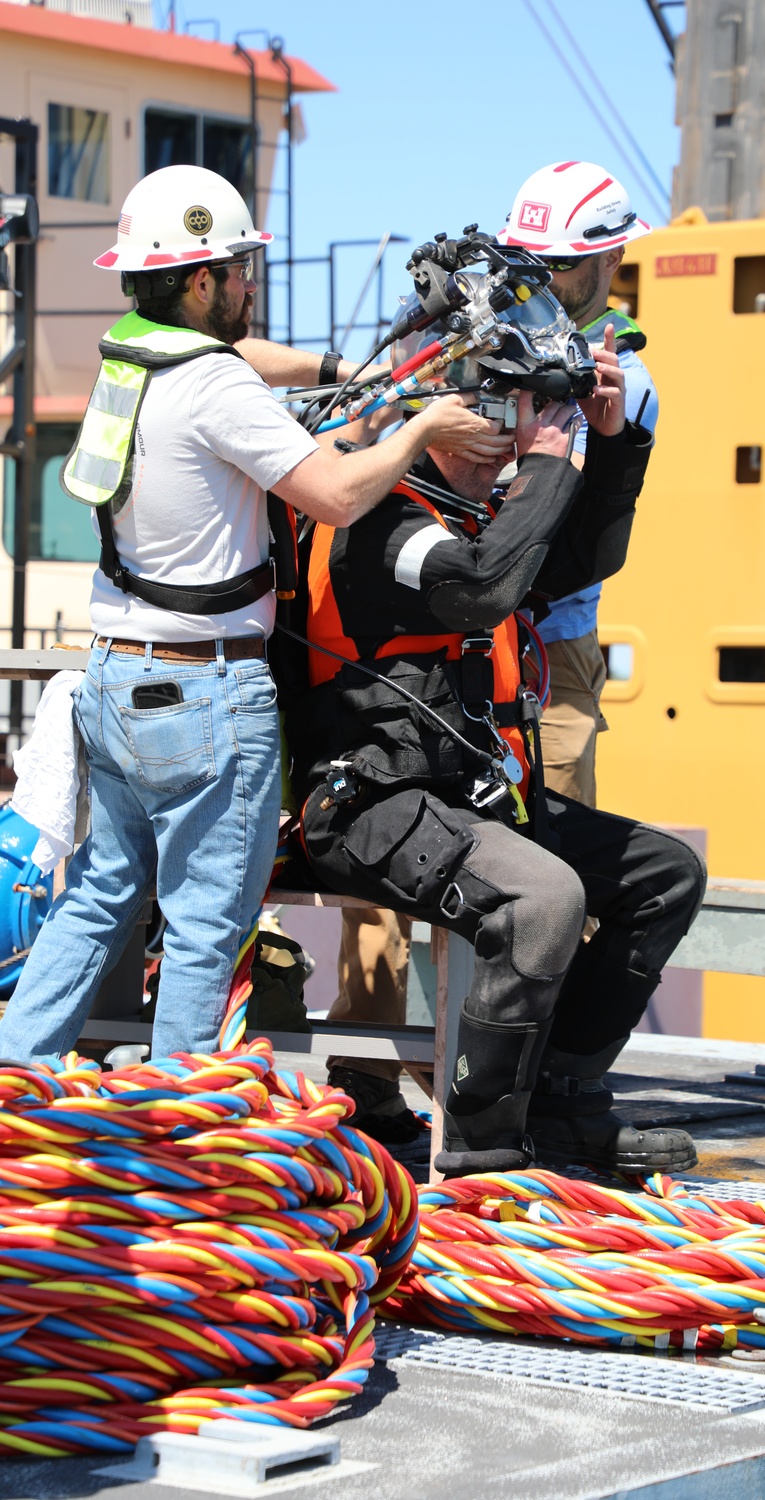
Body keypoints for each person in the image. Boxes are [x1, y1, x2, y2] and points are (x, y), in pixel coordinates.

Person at [0, 165, 495, 1066]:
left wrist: (355, 374)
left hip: (114, 678)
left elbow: (243, 366)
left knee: (104, 893)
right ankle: (179, 1129)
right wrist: (422, 429)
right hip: (204, 694)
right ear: (202, 281)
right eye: (239, 271)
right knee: (204, 921)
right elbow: (338, 495)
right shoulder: (217, 389)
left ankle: (14, 1082)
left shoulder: (128, 358)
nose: (249, 286)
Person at [282, 274, 706, 1177]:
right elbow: (481, 584)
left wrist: (611, 441)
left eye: (520, 414)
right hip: (374, 803)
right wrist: (549, 465)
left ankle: (563, 1100)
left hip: (471, 795)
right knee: (542, 901)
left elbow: (582, 558)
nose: (511, 435)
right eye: (501, 411)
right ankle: (481, 1150)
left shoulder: (487, 510)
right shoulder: (385, 524)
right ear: (441, 416)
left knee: (664, 877)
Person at [498, 161, 658, 807]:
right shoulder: (486, 341)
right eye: (523, 260)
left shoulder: (626, 383)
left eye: (557, 263)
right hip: (445, 637)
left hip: (548, 653)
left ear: (611, 256)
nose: (535, 280)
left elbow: (572, 541)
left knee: (558, 861)